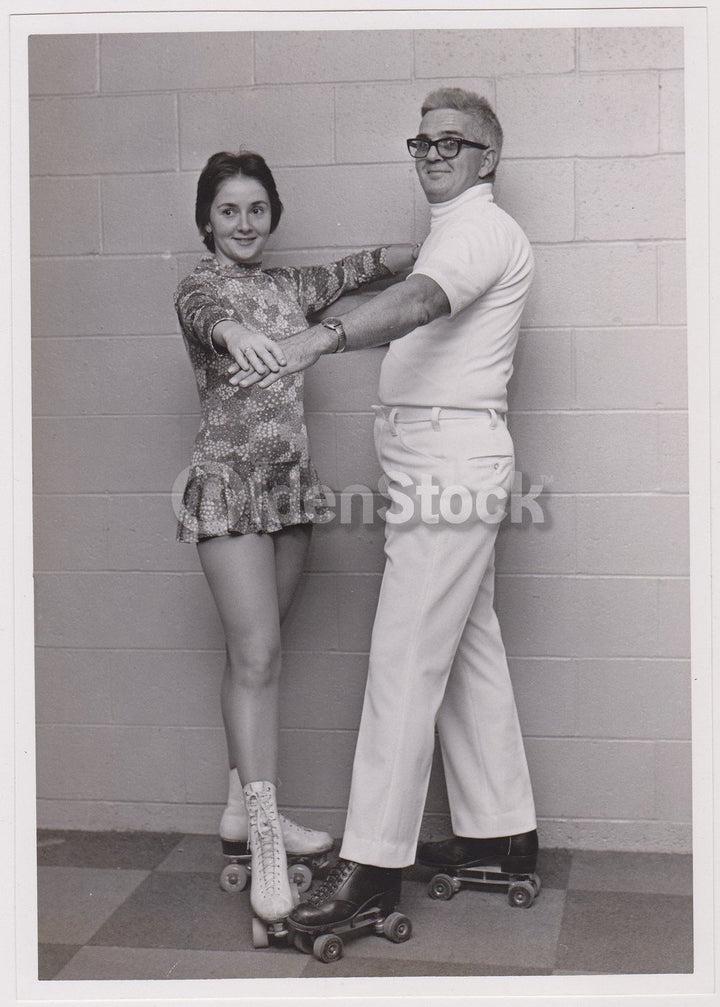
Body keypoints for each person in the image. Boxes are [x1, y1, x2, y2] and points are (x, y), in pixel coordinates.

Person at [233, 89, 538, 931]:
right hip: (436, 460)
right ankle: (500, 830)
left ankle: (368, 867)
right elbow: (408, 289)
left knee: (404, 658)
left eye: (454, 140)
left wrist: (324, 339)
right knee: (467, 645)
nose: (434, 151)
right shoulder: (455, 231)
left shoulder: (477, 230)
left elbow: (422, 302)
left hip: (451, 462)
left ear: (489, 157)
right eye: (423, 140)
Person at [174, 150, 417, 924]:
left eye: (255, 209)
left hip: (291, 494)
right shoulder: (200, 286)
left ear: (272, 214)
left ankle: (240, 810)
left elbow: (367, 266)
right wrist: (234, 333)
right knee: (258, 656)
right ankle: (269, 841)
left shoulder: (294, 286)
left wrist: (448, 240)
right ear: (207, 221)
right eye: (228, 211)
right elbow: (210, 317)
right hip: (229, 493)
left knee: (261, 649)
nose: (243, 224)